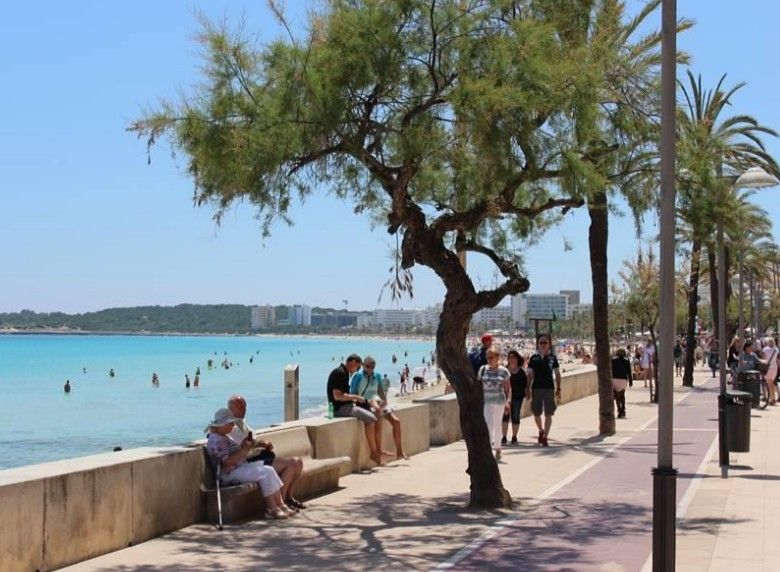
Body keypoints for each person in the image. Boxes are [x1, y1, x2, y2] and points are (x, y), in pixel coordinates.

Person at [205, 408, 293, 520]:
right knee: (265, 472)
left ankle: (280, 505)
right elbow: (226, 462)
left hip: (238, 468)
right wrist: (243, 450)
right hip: (227, 474)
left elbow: (236, 455)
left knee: (269, 469)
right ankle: (271, 509)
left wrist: (246, 448)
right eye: (230, 423)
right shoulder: (216, 440)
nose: (233, 425)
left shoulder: (224, 436)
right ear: (222, 425)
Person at [227, 395, 307, 510]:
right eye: (239, 407)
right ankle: (282, 502)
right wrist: (261, 444)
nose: (243, 409)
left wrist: (261, 445)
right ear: (230, 409)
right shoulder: (231, 427)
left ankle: (289, 496)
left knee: (298, 462)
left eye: (244, 406)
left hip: (260, 456)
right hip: (251, 461)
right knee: (293, 463)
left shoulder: (242, 423)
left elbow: (251, 442)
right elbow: (245, 446)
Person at [326, 354, 382, 465]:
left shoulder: (344, 373)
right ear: (353, 363)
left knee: (372, 414)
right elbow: (337, 396)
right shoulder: (340, 373)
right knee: (371, 418)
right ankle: (373, 452)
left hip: (344, 406)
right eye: (358, 367)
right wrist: (356, 397)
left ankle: (376, 450)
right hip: (339, 409)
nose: (358, 370)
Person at [350, 357, 408, 460]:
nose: (370, 369)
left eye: (372, 367)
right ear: (363, 365)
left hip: (377, 401)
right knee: (377, 416)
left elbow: (380, 391)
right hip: (365, 402)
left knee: (396, 422)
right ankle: (377, 451)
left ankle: (399, 451)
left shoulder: (377, 376)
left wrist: (386, 403)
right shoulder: (358, 376)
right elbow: (353, 393)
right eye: (367, 367)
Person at [527, 334, 561, 447]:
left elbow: (557, 373)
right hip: (536, 389)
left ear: (549, 345)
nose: (543, 344)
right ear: (538, 344)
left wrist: (559, 388)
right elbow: (530, 374)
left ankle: (545, 437)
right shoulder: (533, 358)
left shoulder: (553, 358)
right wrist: (527, 388)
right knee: (536, 414)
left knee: (548, 414)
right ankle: (541, 430)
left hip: (549, 389)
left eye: (545, 342)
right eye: (541, 342)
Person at [477, 348, 511, 461]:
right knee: (488, 425)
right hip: (486, 401)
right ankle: (488, 450)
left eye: (492, 357)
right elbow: (478, 386)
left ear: (498, 358)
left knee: (497, 425)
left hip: (499, 401)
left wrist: (507, 402)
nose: (489, 360)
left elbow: (507, 388)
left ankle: (497, 449)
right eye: (488, 357)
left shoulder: (504, 371)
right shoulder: (482, 370)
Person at [501, 350, 528, 445]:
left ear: (517, 359)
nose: (511, 359)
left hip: (517, 397)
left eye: (513, 357)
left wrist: (528, 394)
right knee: (504, 417)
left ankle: (514, 436)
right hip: (504, 397)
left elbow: (525, 385)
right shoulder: (504, 370)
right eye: (510, 357)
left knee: (515, 417)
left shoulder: (521, 372)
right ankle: (504, 437)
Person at [611, 348, 633, 419]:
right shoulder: (627, 361)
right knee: (622, 395)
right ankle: (623, 409)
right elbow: (629, 372)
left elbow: (610, 371)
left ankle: (619, 411)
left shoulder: (613, 360)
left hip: (615, 380)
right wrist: (630, 381)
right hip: (623, 380)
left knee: (617, 396)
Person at [761, 339, 778, 405]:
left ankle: (771, 399)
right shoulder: (776, 349)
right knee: (772, 383)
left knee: (769, 384)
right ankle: (773, 398)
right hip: (774, 368)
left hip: (768, 368)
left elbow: (764, 359)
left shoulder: (765, 349)